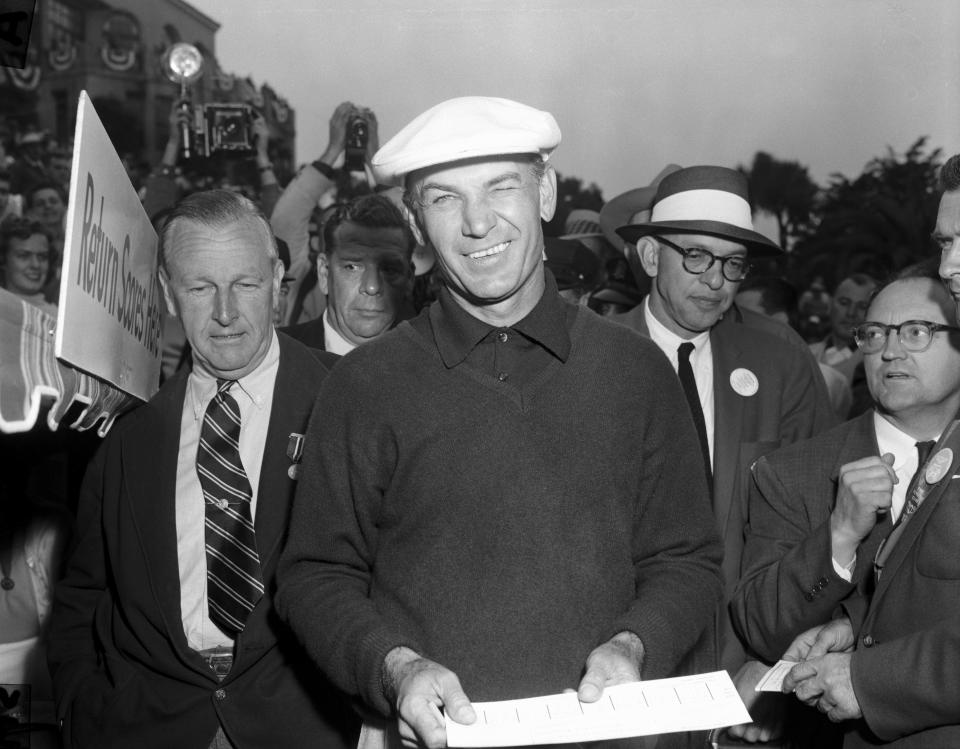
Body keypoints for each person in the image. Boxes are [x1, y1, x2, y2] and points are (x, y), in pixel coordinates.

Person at [276, 96, 722, 749]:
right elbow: (314, 574)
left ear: (545, 191)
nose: (478, 222)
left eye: (501, 187)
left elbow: (688, 557)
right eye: (445, 199)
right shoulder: (364, 384)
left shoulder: (636, 372)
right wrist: (393, 669)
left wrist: (635, 642)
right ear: (415, 221)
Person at [47, 190, 356, 749]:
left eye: (245, 284)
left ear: (279, 280)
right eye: (199, 287)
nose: (225, 313)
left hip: (309, 726)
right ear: (168, 293)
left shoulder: (350, 401)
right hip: (146, 727)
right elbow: (83, 595)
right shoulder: (125, 438)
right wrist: (79, 710)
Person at [605, 164, 836, 744]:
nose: (717, 280)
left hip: (747, 675)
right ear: (652, 256)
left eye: (734, 263)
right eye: (698, 257)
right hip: (625, 671)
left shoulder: (780, 361)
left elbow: (820, 525)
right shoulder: (593, 360)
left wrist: (779, 673)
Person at [776, 260, 960, 747]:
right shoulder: (792, 470)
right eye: (874, 334)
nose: (890, 351)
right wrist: (855, 624)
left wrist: (867, 678)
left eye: (917, 331)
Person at [272, 101, 380, 326]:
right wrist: (333, 149)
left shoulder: (385, 280)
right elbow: (287, 218)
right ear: (317, 241)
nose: (341, 229)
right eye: (332, 221)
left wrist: (375, 159)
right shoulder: (300, 276)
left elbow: (407, 227)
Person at [282, 193, 414, 352]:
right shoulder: (276, 357)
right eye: (352, 267)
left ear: (409, 279)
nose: (372, 287)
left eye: (389, 269)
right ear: (324, 273)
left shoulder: (435, 368)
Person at [1, 217, 56, 315]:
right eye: (23, 256)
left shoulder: (60, 319)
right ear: (3, 259)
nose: (36, 264)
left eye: (42, 257)